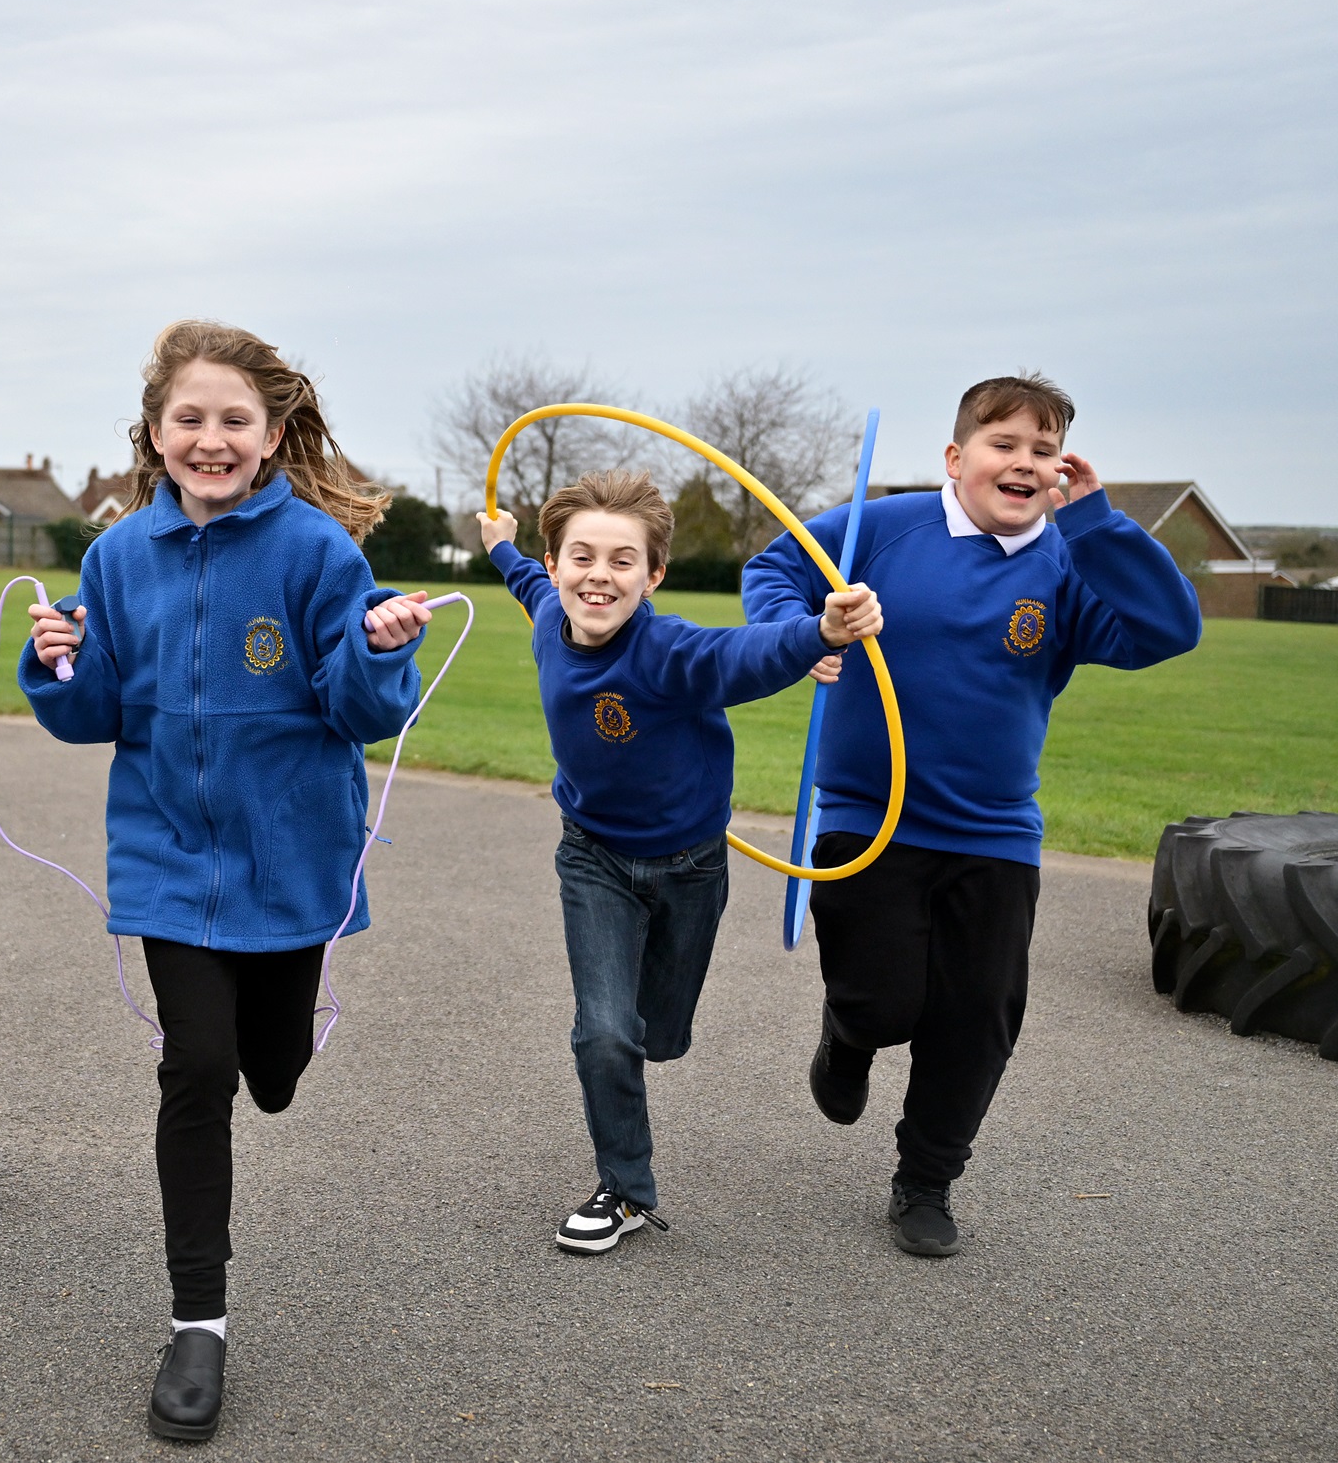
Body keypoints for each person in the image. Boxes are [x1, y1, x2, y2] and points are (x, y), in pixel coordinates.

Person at [20, 320, 431, 1443]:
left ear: (272, 434)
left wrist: (381, 646)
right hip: (164, 852)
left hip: (291, 850)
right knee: (196, 1067)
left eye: (232, 420)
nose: (210, 438)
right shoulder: (115, 557)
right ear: (154, 434)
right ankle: (197, 1320)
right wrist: (59, 662)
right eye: (188, 419)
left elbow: (358, 709)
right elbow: (93, 711)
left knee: (273, 1066)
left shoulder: (312, 552)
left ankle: (281, 1051)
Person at [744, 373, 1200, 1257]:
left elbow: (1165, 630)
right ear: (957, 459)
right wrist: (806, 633)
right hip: (866, 814)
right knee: (882, 1002)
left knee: (978, 1014)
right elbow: (775, 568)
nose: (1024, 463)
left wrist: (1100, 524)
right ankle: (849, 1034)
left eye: (1044, 450)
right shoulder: (880, 528)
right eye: (1004, 445)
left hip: (994, 831)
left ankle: (926, 1180)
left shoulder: (1070, 561)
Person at [477, 471, 882, 1256]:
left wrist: (817, 637)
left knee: (656, 1036)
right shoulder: (544, 618)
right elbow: (522, 579)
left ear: (653, 576)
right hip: (591, 855)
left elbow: (744, 654)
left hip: (692, 863)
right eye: (581, 557)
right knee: (603, 1032)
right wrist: (499, 543)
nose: (599, 575)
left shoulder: (670, 650)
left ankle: (643, 1046)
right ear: (556, 563)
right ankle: (624, 1190)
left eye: (622, 561)